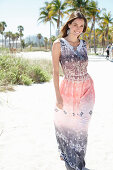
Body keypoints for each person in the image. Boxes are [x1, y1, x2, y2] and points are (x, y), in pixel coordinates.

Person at [52, 11, 95, 170]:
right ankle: (69, 158)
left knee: (82, 128)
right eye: (75, 24)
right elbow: (56, 72)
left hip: (87, 88)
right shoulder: (58, 44)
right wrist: (58, 97)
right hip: (68, 90)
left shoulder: (85, 44)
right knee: (66, 125)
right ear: (69, 24)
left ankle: (79, 163)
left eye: (81, 26)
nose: (78, 28)